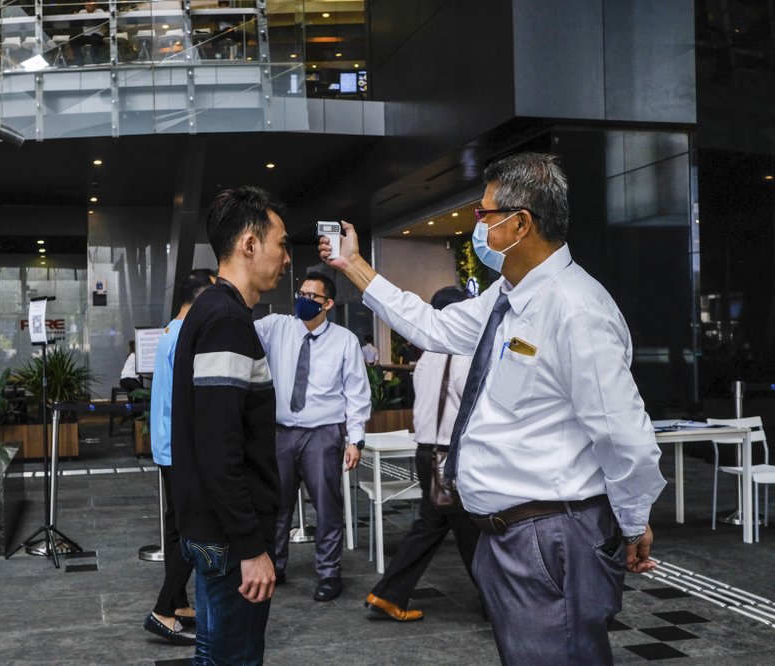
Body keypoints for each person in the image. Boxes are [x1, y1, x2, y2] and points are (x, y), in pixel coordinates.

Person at [320, 152, 665, 663]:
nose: (476, 227)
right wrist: (353, 265)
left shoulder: (575, 309)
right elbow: (432, 327)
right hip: (509, 538)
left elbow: (623, 435)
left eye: (484, 216)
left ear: (520, 223)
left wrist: (634, 522)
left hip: (550, 538)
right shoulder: (507, 296)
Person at [171, 185, 289, 664]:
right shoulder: (226, 320)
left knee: (213, 653)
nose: (285, 256)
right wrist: (251, 547)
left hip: (209, 526)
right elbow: (221, 447)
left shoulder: (210, 309)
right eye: (281, 243)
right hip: (228, 536)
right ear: (249, 244)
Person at [365, 286, 482, 622]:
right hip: (449, 457)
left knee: (437, 526)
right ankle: (500, 604)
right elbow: (472, 407)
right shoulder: (462, 354)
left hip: (427, 452)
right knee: (470, 531)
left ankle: (388, 594)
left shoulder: (428, 355)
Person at [253, 271, 370, 602]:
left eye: (311, 297)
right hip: (281, 434)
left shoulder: (345, 340)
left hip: (323, 434)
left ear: (328, 304)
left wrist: (354, 439)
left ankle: (329, 574)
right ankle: (274, 567)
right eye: (300, 294)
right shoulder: (276, 327)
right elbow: (239, 328)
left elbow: (357, 394)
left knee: (327, 506)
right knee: (277, 505)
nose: (302, 300)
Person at [143, 268, 216, 646]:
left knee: (176, 528)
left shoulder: (170, 332)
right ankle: (162, 611)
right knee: (192, 531)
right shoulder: (186, 337)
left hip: (167, 447)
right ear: (202, 299)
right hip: (181, 450)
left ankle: (179, 602)